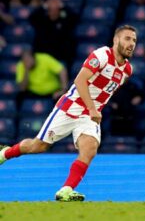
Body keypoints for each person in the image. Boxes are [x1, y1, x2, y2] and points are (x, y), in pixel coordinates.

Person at [0, 25, 137, 201]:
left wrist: (95, 109)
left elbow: (104, 90)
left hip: (88, 116)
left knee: (90, 149)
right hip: (70, 108)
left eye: (134, 40)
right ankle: (5, 154)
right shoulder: (102, 55)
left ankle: (65, 190)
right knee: (38, 146)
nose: (131, 43)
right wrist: (93, 108)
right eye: (127, 38)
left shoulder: (127, 70)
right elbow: (80, 81)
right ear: (116, 40)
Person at [29, 0, 78, 65]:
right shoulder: (42, 21)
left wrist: (62, 5)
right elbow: (32, 17)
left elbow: (74, 17)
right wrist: (45, 5)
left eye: (56, 9)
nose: (53, 12)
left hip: (60, 55)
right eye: (51, 10)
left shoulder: (64, 21)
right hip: (44, 54)